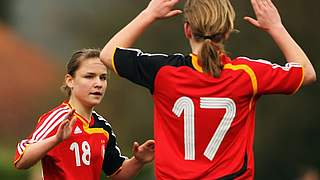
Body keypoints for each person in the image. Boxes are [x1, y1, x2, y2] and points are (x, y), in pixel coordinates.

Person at [100, 0, 316, 179]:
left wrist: (149, 13)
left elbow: (108, 54)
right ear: (227, 32)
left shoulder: (164, 72)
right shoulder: (247, 74)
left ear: (187, 29)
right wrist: (276, 27)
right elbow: (306, 73)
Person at [14, 48, 155, 180]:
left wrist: (139, 160)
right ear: (70, 81)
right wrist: (56, 139)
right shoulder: (59, 118)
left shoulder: (103, 127)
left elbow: (117, 173)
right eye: (89, 76)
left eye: (103, 77)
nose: (98, 84)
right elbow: (21, 160)